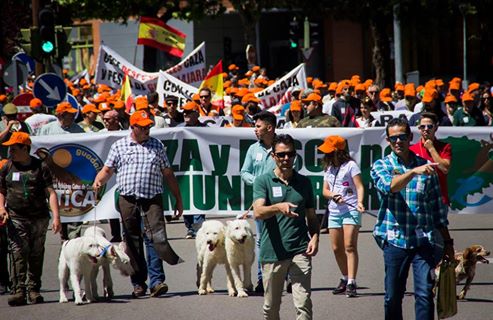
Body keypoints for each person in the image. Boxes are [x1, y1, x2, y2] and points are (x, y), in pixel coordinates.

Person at [93, 110, 184, 298]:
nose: (147, 129)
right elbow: (108, 169)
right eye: (143, 127)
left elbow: (167, 173)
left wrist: (178, 198)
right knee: (132, 241)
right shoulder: (119, 146)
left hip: (152, 198)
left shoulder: (157, 146)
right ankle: (138, 283)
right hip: (127, 198)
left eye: (149, 126)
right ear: (132, 127)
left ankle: (157, 281)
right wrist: (99, 181)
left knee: (156, 238)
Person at [370, 118, 455, 320]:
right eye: (393, 138)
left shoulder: (427, 168)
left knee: (425, 294)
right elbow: (390, 186)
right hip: (394, 240)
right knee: (392, 297)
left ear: (410, 137)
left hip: (423, 241)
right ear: (388, 141)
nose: (398, 141)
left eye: (402, 137)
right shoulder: (381, 165)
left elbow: (437, 209)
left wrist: (448, 242)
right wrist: (412, 172)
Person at [252, 133, 320, 320]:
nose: (286, 158)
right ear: (273, 156)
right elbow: (258, 212)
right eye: (281, 155)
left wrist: (315, 237)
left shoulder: (304, 182)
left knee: (303, 304)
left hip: (300, 249)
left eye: (289, 154)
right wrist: (277, 208)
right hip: (272, 252)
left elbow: (312, 216)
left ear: (295, 155)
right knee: (271, 307)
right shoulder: (263, 181)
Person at [0, 132, 61, 306]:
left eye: (14, 148)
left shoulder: (40, 166)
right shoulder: (7, 167)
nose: (10, 151)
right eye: (9, 148)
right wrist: (1, 208)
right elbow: (1, 190)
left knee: (36, 254)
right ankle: (19, 291)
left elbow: (50, 193)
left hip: (39, 218)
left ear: (25, 148)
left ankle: (34, 290)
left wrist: (56, 217)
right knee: (18, 253)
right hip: (16, 218)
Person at [319, 135, 364, 298]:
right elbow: (324, 190)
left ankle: (352, 281)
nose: (327, 154)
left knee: (349, 246)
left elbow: (359, 186)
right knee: (336, 248)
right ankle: (344, 277)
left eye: (330, 151)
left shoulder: (351, 165)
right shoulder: (329, 168)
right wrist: (333, 195)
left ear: (339, 151)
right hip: (334, 211)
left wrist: (359, 202)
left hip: (351, 210)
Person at [240, 111, 277, 294]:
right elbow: (244, 172)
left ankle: (283, 276)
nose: (255, 129)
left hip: (281, 202)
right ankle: (262, 280)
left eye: (258, 126)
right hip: (260, 203)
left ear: (269, 128)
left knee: (282, 239)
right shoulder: (253, 149)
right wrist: (258, 182)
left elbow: (293, 168)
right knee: (262, 241)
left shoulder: (282, 146)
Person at [179, 102, 206, 238]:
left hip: (201, 169)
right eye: (184, 112)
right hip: (184, 170)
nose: (185, 114)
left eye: (189, 112)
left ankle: (199, 227)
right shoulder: (179, 129)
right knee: (186, 198)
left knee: (199, 197)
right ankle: (189, 227)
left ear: (197, 113)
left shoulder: (206, 129)